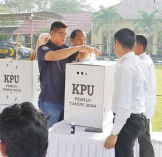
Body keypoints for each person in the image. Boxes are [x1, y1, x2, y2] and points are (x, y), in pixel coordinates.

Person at [37, 21, 99, 127]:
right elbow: (53, 56)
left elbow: (81, 55)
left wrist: (90, 50)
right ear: (52, 33)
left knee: (61, 135)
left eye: (65, 34)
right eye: (61, 33)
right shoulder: (44, 48)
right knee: (48, 135)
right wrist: (79, 47)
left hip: (66, 100)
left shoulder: (64, 48)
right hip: (50, 101)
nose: (64, 36)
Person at [104, 28, 148, 157]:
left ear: (116, 43)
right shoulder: (139, 62)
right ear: (134, 44)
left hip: (129, 121)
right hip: (138, 117)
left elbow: (124, 105)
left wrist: (114, 133)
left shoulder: (125, 67)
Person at [134, 34, 156, 157]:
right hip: (142, 108)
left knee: (144, 141)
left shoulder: (144, 63)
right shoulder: (142, 61)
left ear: (140, 48)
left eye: (132, 45)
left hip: (142, 109)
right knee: (143, 141)